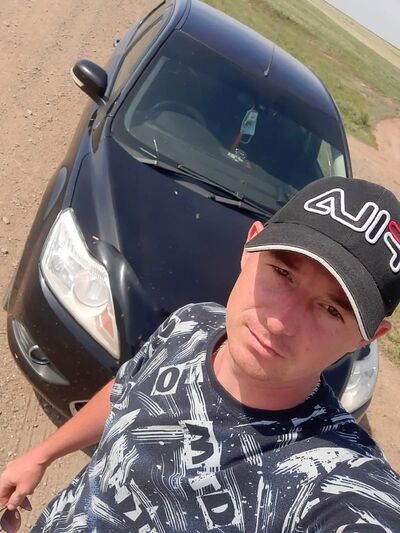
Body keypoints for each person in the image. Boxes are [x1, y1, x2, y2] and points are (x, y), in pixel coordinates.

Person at [1, 176, 399, 532]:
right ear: (250, 248)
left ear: (367, 338)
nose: (281, 322)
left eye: (331, 310)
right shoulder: (192, 323)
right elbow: (127, 392)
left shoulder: (337, 480)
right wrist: (42, 455)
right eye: (282, 272)